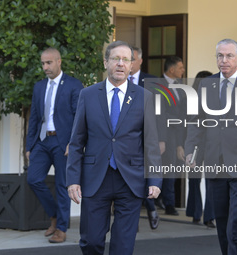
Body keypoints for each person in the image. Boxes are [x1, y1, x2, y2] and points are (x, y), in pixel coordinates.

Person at [66, 40, 162, 255]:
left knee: (123, 245)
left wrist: (155, 179)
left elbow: (151, 142)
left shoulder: (144, 97)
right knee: (90, 241)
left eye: (126, 60)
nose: (120, 64)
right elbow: (76, 141)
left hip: (130, 178)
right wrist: (72, 179)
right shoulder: (88, 95)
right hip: (95, 178)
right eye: (115, 59)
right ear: (106, 62)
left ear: (131, 65)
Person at [185, 39, 237, 255]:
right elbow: (198, 122)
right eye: (220, 56)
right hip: (215, 165)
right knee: (222, 221)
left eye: (229, 56)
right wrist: (190, 150)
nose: (224, 60)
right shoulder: (206, 85)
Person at [26, 47, 83, 243]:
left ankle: (61, 229)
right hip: (42, 141)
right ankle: (55, 215)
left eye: (49, 63)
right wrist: (29, 146)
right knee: (33, 179)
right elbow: (33, 118)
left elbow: (79, 118)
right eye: (43, 63)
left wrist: (73, 144)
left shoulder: (74, 85)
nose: (45, 67)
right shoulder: (39, 87)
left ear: (59, 62)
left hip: (63, 142)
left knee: (62, 186)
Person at [129, 46, 160, 230]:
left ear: (140, 60)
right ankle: (137, 216)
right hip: (127, 140)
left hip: (147, 138)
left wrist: (161, 140)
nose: (128, 63)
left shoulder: (153, 81)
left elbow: (162, 113)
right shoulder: (118, 81)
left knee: (144, 176)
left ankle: (150, 208)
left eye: (131, 59)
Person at [155, 56, 187, 216]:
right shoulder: (158, 85)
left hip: (179, 133)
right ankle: (168, 203)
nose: (183, 70)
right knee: (169, 166)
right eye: (180, 67)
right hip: (165, 134)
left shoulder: (181, 86)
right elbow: (159, 112)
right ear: (171, 69)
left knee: (176, 167)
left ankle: (162, 198)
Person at [185, 70, 216, 228]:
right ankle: (197, 213)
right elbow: (188, 126)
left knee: (210, 180)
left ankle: (207, 215)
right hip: (196, 144)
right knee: (194, 179)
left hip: (211, 144)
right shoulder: (191, 100)